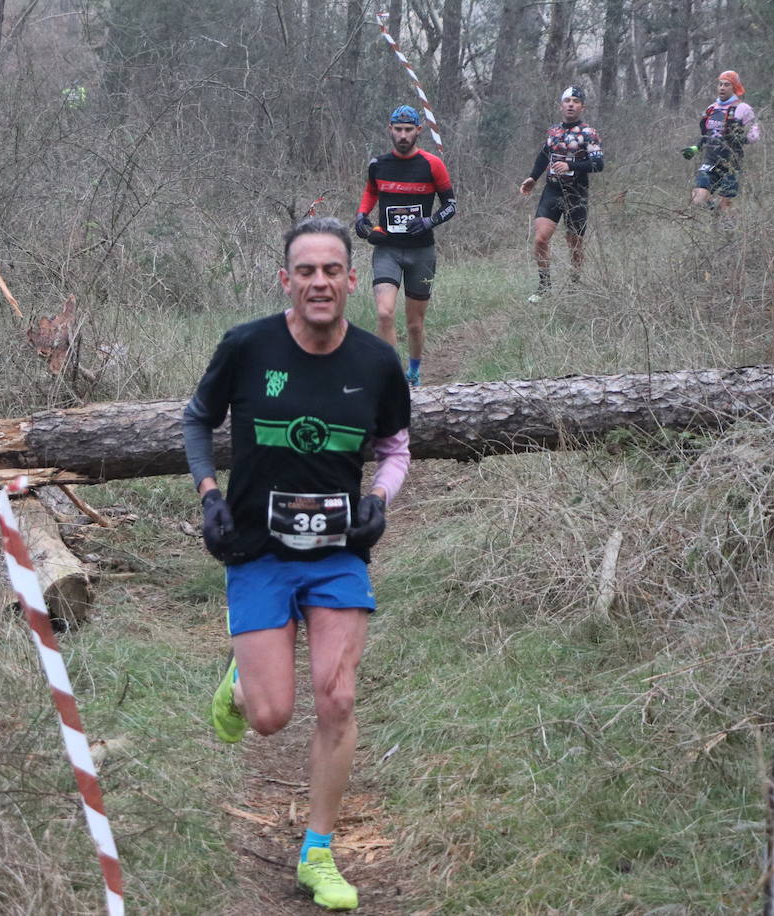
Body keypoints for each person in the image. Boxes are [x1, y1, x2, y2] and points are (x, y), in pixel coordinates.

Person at [183, 217, 412, 911]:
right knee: (271, 716)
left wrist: (378, 499)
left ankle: (318, 852)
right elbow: (196, 420)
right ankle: (243, 679)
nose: (319, 282)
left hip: (339, 550)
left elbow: (396, 446)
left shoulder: (375, 362)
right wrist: (209, 495)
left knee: (337, 696)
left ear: (351, 279)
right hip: (256, 548)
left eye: (331, 270)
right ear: (287, 280)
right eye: (305, 270)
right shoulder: (248, 346)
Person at [354, 104, 457, 387]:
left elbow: (451, 205)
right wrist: (361, 219)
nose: (402, 135)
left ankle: (413, 372)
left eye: (408, 130)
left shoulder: (432, 164)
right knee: (385, 313)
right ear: (389, 129)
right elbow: (370, 194)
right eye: (397, 130)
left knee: (414, 324)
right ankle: (391, 377)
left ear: (418, 131)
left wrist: (429, 222)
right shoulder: (378, 164)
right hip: (387, 249)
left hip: (421, 252)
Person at [518, 85, 605, 303]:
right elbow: (544, 155)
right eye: (567, 101)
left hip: (577, 192)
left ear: (582, 107)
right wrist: (532, 177)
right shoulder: (554, 131)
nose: (571, 105)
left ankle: (575, 286)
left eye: (576, 102)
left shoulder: (588, 133)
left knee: (574, 243)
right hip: (552, 190)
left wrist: (571, 164)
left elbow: (598, 164)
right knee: (540, 239)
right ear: (561, 106)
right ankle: (544, 286)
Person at [681, 70, 761, 213]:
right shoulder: (711, 109)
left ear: (734, 87)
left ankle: (724, 223)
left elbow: (755, 135)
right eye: (720, 84)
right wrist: (694, 148)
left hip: (731, 163)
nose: (722, 88)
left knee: (726, 207)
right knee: (697, 200)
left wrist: (738, 138)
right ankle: (714, 212)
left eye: (727, 85)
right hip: (710, 161)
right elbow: (706, 135)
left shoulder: (743, 109)